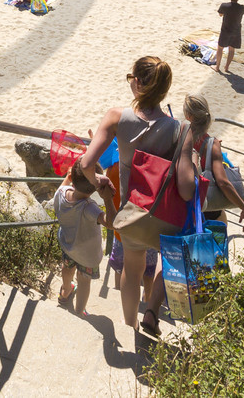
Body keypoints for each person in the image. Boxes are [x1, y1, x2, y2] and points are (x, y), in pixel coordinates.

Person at [75, 56, 178, 337]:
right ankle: (152, 312)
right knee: (156, 263)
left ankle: (130, 326)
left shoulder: (117, 117)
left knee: (131, 272)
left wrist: (101, 184)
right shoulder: (174, 128)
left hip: (130, 210)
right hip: (158, 212)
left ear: (137, 82)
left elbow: (86, 164)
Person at [175, 95, 244, 231]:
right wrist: (243, 207)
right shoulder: (211, 144)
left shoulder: (179, 135)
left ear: (187, 116)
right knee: (217, 245)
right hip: (207, 206)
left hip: (182, 203)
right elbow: (222, 182)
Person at [54, 162, 109, 316]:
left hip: (68, 246)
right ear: (95, 188)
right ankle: (79, 311)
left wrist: (68, 177)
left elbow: (63, 187)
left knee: (67, 269)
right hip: (87, 256)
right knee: (84, 281)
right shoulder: (90, 208)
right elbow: (110, 223)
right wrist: (108, 199)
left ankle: (65, 292)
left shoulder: (61, 193)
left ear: (72, 178)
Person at [215, 0, 244, 73]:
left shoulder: (224, 6)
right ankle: (227, 67)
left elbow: (220, 14)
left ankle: (217, 67)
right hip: (236, 30)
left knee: (220, 48)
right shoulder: (242, 8)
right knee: (232, 50)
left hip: (226, 30)